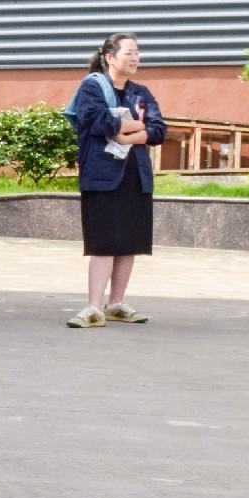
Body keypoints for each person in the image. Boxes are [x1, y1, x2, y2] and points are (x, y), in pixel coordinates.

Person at [68, 32, 165, 328]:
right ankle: (94, 308)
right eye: (128, 53)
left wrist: (126, 135)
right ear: (110, 57)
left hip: (136, 175)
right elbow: (96, 120)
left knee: (128, 243)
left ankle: (116, 304)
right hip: (103, 175)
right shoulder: (92, 87)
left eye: (137, 52)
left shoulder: (140, 92)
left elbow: (159, 129)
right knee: (103, 243)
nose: (135, 58)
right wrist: (136, 125)